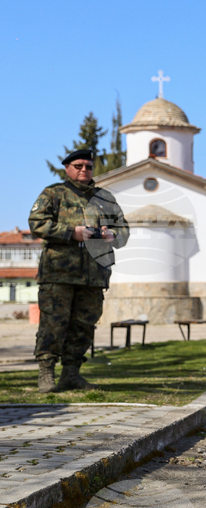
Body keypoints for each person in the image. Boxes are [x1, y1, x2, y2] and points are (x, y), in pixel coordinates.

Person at [28, 149, 129, 393]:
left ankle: (71, 375)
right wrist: (71, 232)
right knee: (53, 324)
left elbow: (124, 231)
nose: (84, 170)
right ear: (67, 168)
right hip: (59, 273)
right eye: (78, 165)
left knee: (84, 326)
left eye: (88, 166)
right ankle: (46, 374)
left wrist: (111, 234)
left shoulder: (105, 198)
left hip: (94, 275)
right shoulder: (54, 193)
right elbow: (37, 222)